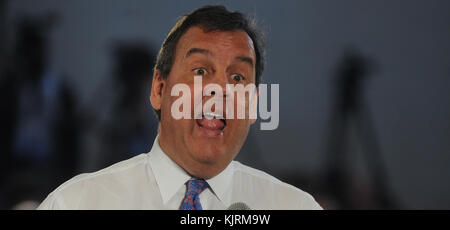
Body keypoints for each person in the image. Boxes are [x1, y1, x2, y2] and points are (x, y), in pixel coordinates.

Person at [37, 5, 322, 210]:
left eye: (237, 77)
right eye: (200, 71)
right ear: (159, 89)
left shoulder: (295, 206)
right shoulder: (76, 203)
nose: (220, 90)